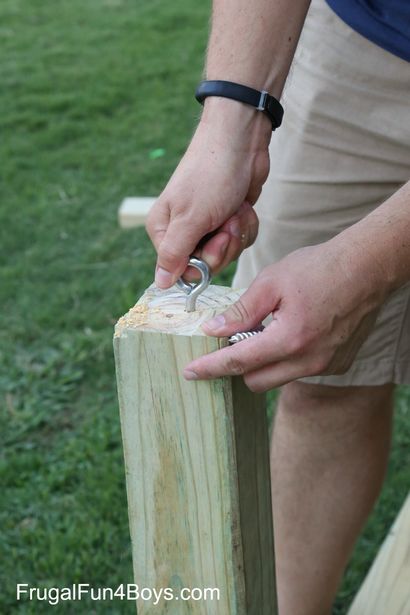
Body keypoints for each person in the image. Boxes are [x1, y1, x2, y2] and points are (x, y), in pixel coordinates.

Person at [146, 0, 410, 612]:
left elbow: (361, 269)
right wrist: (231, 119)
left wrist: (361, 267)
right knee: (314, 379)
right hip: (365, 35)